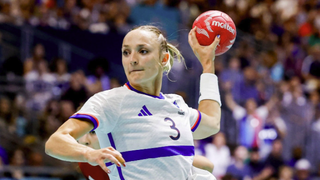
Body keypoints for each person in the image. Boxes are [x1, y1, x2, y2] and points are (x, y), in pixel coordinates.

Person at [45, 25, 222, 180]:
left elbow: (211, 123)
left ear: (164, 59)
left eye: (143, 51)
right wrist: (88, 153)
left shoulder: (176, 104)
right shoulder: (110, 101)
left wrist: (208, 65)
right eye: (126, 52)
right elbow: (55, 142)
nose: (133, 59)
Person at [77, 130, 215, 180]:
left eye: (93, 132)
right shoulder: (83, 164)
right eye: (81, 134)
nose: (84, 139)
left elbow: (207, 165)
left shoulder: (129, 156)